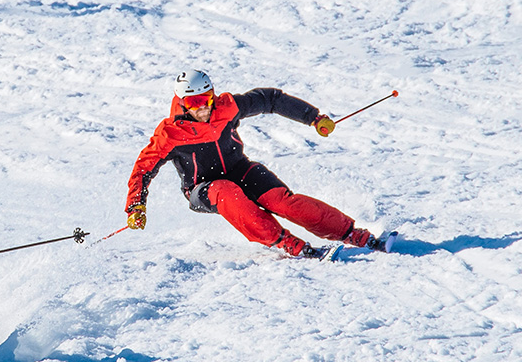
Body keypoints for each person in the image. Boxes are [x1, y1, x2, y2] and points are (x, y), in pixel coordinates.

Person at [124, 69, 387, 258]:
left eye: (207, 98)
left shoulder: (226, 108)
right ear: (183, 103)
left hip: (239, 170)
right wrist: (136, 206)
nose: (204, 107)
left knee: (284, 202)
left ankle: (354, 234)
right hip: (203, 188)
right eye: (195, 102)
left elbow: (270, 99)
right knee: (228, 193)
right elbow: (143, 168)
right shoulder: (170, 133)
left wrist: (314, 118)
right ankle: (288, 243)